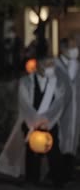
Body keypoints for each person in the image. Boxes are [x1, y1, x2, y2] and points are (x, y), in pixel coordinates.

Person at [0, 56, 69, 188]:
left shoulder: (57, 82)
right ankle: (32, 179)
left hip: (49, 122)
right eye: (47, 64)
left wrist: (47, 120)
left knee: (53, 151)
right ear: (39, 66)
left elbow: (59, 103)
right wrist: (34, 121)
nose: (50, 68)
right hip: (31, 122)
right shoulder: (26, 81)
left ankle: (58, 180)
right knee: (32, 151)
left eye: (52, 65)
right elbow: (24, 103)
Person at [55, 37, 80, 182]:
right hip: (60, 112)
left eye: (76, 46)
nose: (75, 49)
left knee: (72, 141)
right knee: (60, 141)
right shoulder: (56, 66)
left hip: (75, 111)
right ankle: (57, 172)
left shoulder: (77, 65)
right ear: (63, 49)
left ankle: (68, 172)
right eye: (72, 47)